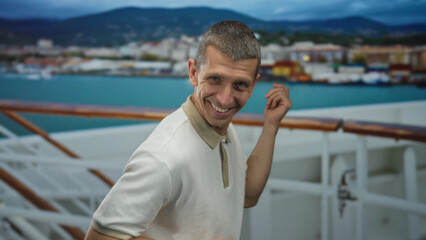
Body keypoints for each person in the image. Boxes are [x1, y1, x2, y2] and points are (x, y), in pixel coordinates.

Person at [85, 20, 291, 240]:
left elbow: (247, 196)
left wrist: (271, 125)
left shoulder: (223, 129)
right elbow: (98, 237)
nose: (225, 98)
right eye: (215, 79)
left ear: (253, 85)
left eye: (240, 84)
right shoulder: (164, 158)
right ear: (193, 72)